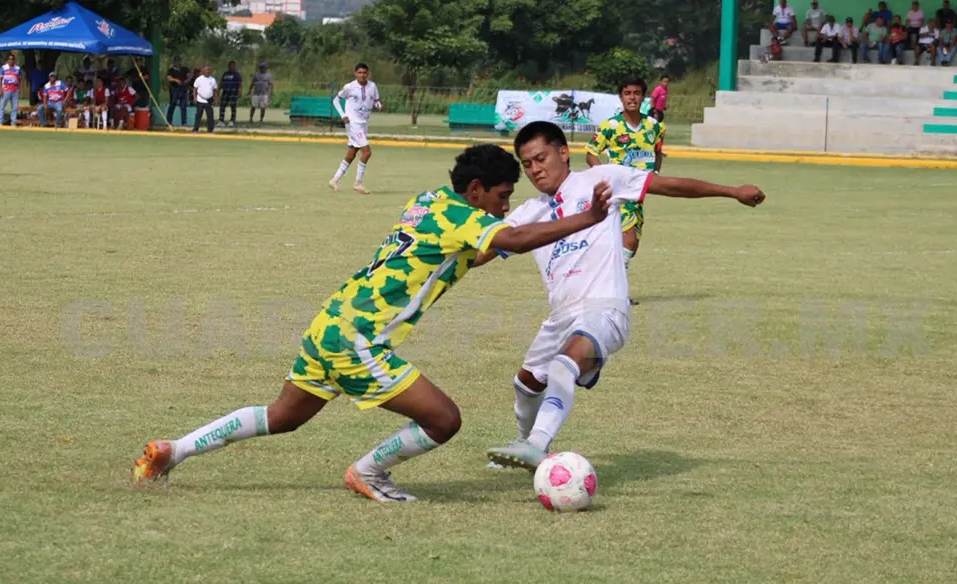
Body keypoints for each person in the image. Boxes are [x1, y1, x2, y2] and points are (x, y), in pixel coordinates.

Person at [132, 143, 617, 502]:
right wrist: (585, 219)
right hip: (358, 339)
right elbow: (510, 238)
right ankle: (369, 472)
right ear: (476, 190)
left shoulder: (427, 202)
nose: (505, 205)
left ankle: (173, 450)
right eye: (502, 195)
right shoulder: (466, 217)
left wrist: (519, 242)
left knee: (281, 417)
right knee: (444, 420)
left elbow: (473, 253)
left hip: (329, 324)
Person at [485, 122, 765, 470]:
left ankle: (537, 445)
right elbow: (482, 251)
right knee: (525, 383)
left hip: (605, 309)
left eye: (540, 158)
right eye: (527, 164)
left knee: (564, 363)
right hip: (561, 316)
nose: (535, 169)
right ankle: (524, 442)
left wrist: (732, 190)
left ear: (562, 152)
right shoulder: (530, 213)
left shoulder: (601, 179)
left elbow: (670, 186)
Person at [585, 77, 665, 305]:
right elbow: (591, 153)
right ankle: (615, 291)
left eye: (636, 93)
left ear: (643, 97)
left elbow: (658, 152)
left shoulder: (655, 127)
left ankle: (605, 285)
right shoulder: (610, 126)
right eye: (627, 93)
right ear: (621, 97)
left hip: (640, 192)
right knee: (628, 240)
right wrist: (604, 174)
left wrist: (655, 174)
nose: (632, 97)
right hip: (620, 192)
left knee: (632, 243)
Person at [329, 63, 381, 194]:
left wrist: (379, 105)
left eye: (364, 73)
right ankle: (358, 183)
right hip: (353, 124)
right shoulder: (350, 87)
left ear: (368, 73)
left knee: (351, 154)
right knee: (367, 152)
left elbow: (376, 100)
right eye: (360, 73)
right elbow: (335, 100)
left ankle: (334, 180)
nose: (362, 75)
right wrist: (343, 115)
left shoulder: (372, 86)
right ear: (355, 73)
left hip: (363, 123)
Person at [0, 53, 22, 126]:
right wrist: (0, 89)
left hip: (15, 89)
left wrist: (20, 89)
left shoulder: (18, 68)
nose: (11, 60)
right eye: (10, 59)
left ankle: (13, 121)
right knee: (2, 105)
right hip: (6, 89)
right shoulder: (3, 68)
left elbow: (20, 79)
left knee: (14, 106)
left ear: (14, 60)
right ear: (7, 60)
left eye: (12, 59)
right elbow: (0, 79)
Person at [192, 65, 218, 134]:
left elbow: (215, 90)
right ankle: (195, 130)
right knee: (198, 115)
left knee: (210, 116)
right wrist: (194, 97)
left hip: (209, 100)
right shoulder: (199, 79)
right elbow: (195, 89)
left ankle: (210, 130)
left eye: (208, 70)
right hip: (200, 99)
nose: (207, 71)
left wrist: (216, 98)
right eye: (206, 70)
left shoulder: (212, 79)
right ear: (203, 71)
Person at [165, 56, 190, 127]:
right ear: (174, 62)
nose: (178, 62)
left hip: (183, 88)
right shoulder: (171, 70)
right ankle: (169, 121)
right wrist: (176, 80)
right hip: (174, 88)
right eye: (176, 61)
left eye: (179, 61)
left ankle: (184, 122)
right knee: (172, 104)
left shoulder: (184, 69)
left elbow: (188, 76)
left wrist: (186, 80)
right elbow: (169, 78)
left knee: (183, 106)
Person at [220, 60, 242, 127]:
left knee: (233, 106)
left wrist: (240, 92)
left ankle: (232, 120)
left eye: (232, 66)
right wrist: (218, 90)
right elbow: (221, 83)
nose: (231, 67)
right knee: (222, 106)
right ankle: (221, 121)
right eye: (230, 65)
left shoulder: (237, 75)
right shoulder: (225, 74)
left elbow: (240, 84)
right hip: (225, 92)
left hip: (233, 92)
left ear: (235, 66)